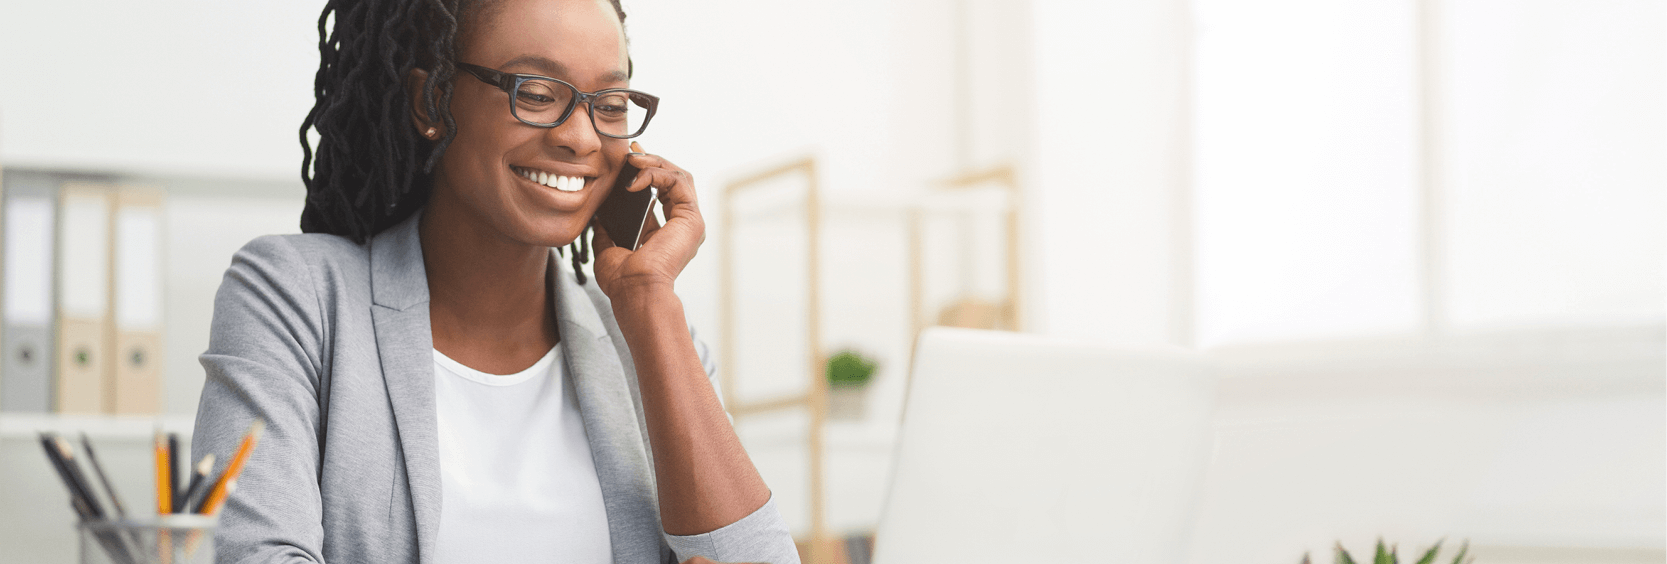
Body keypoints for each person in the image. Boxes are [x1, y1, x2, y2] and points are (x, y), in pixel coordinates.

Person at [189, 0, 797, 562]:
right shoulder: (295, 296)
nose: (581, 137)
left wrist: (648, 300)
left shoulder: (649, 338)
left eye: (609, 105)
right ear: (432, 103)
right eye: (535, 93)